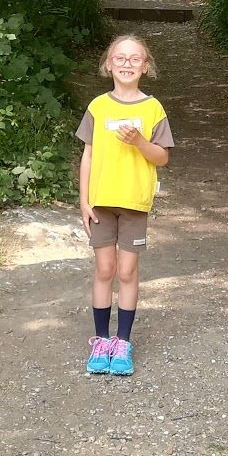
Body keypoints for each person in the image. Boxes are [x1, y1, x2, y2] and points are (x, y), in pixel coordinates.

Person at [75, 33, 174, 376]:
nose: (127, 64)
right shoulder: (97, 107)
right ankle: (101, 340)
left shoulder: (153, 108)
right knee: (104, 270)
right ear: (108, 65)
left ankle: (123, 343)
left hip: (134, 202)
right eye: (121, 58)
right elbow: (87, 154)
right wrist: (84, 200)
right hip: (101, 202)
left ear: (146, 67)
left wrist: (139, 141)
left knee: (127, 271)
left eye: (135, 59)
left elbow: (162, 157)